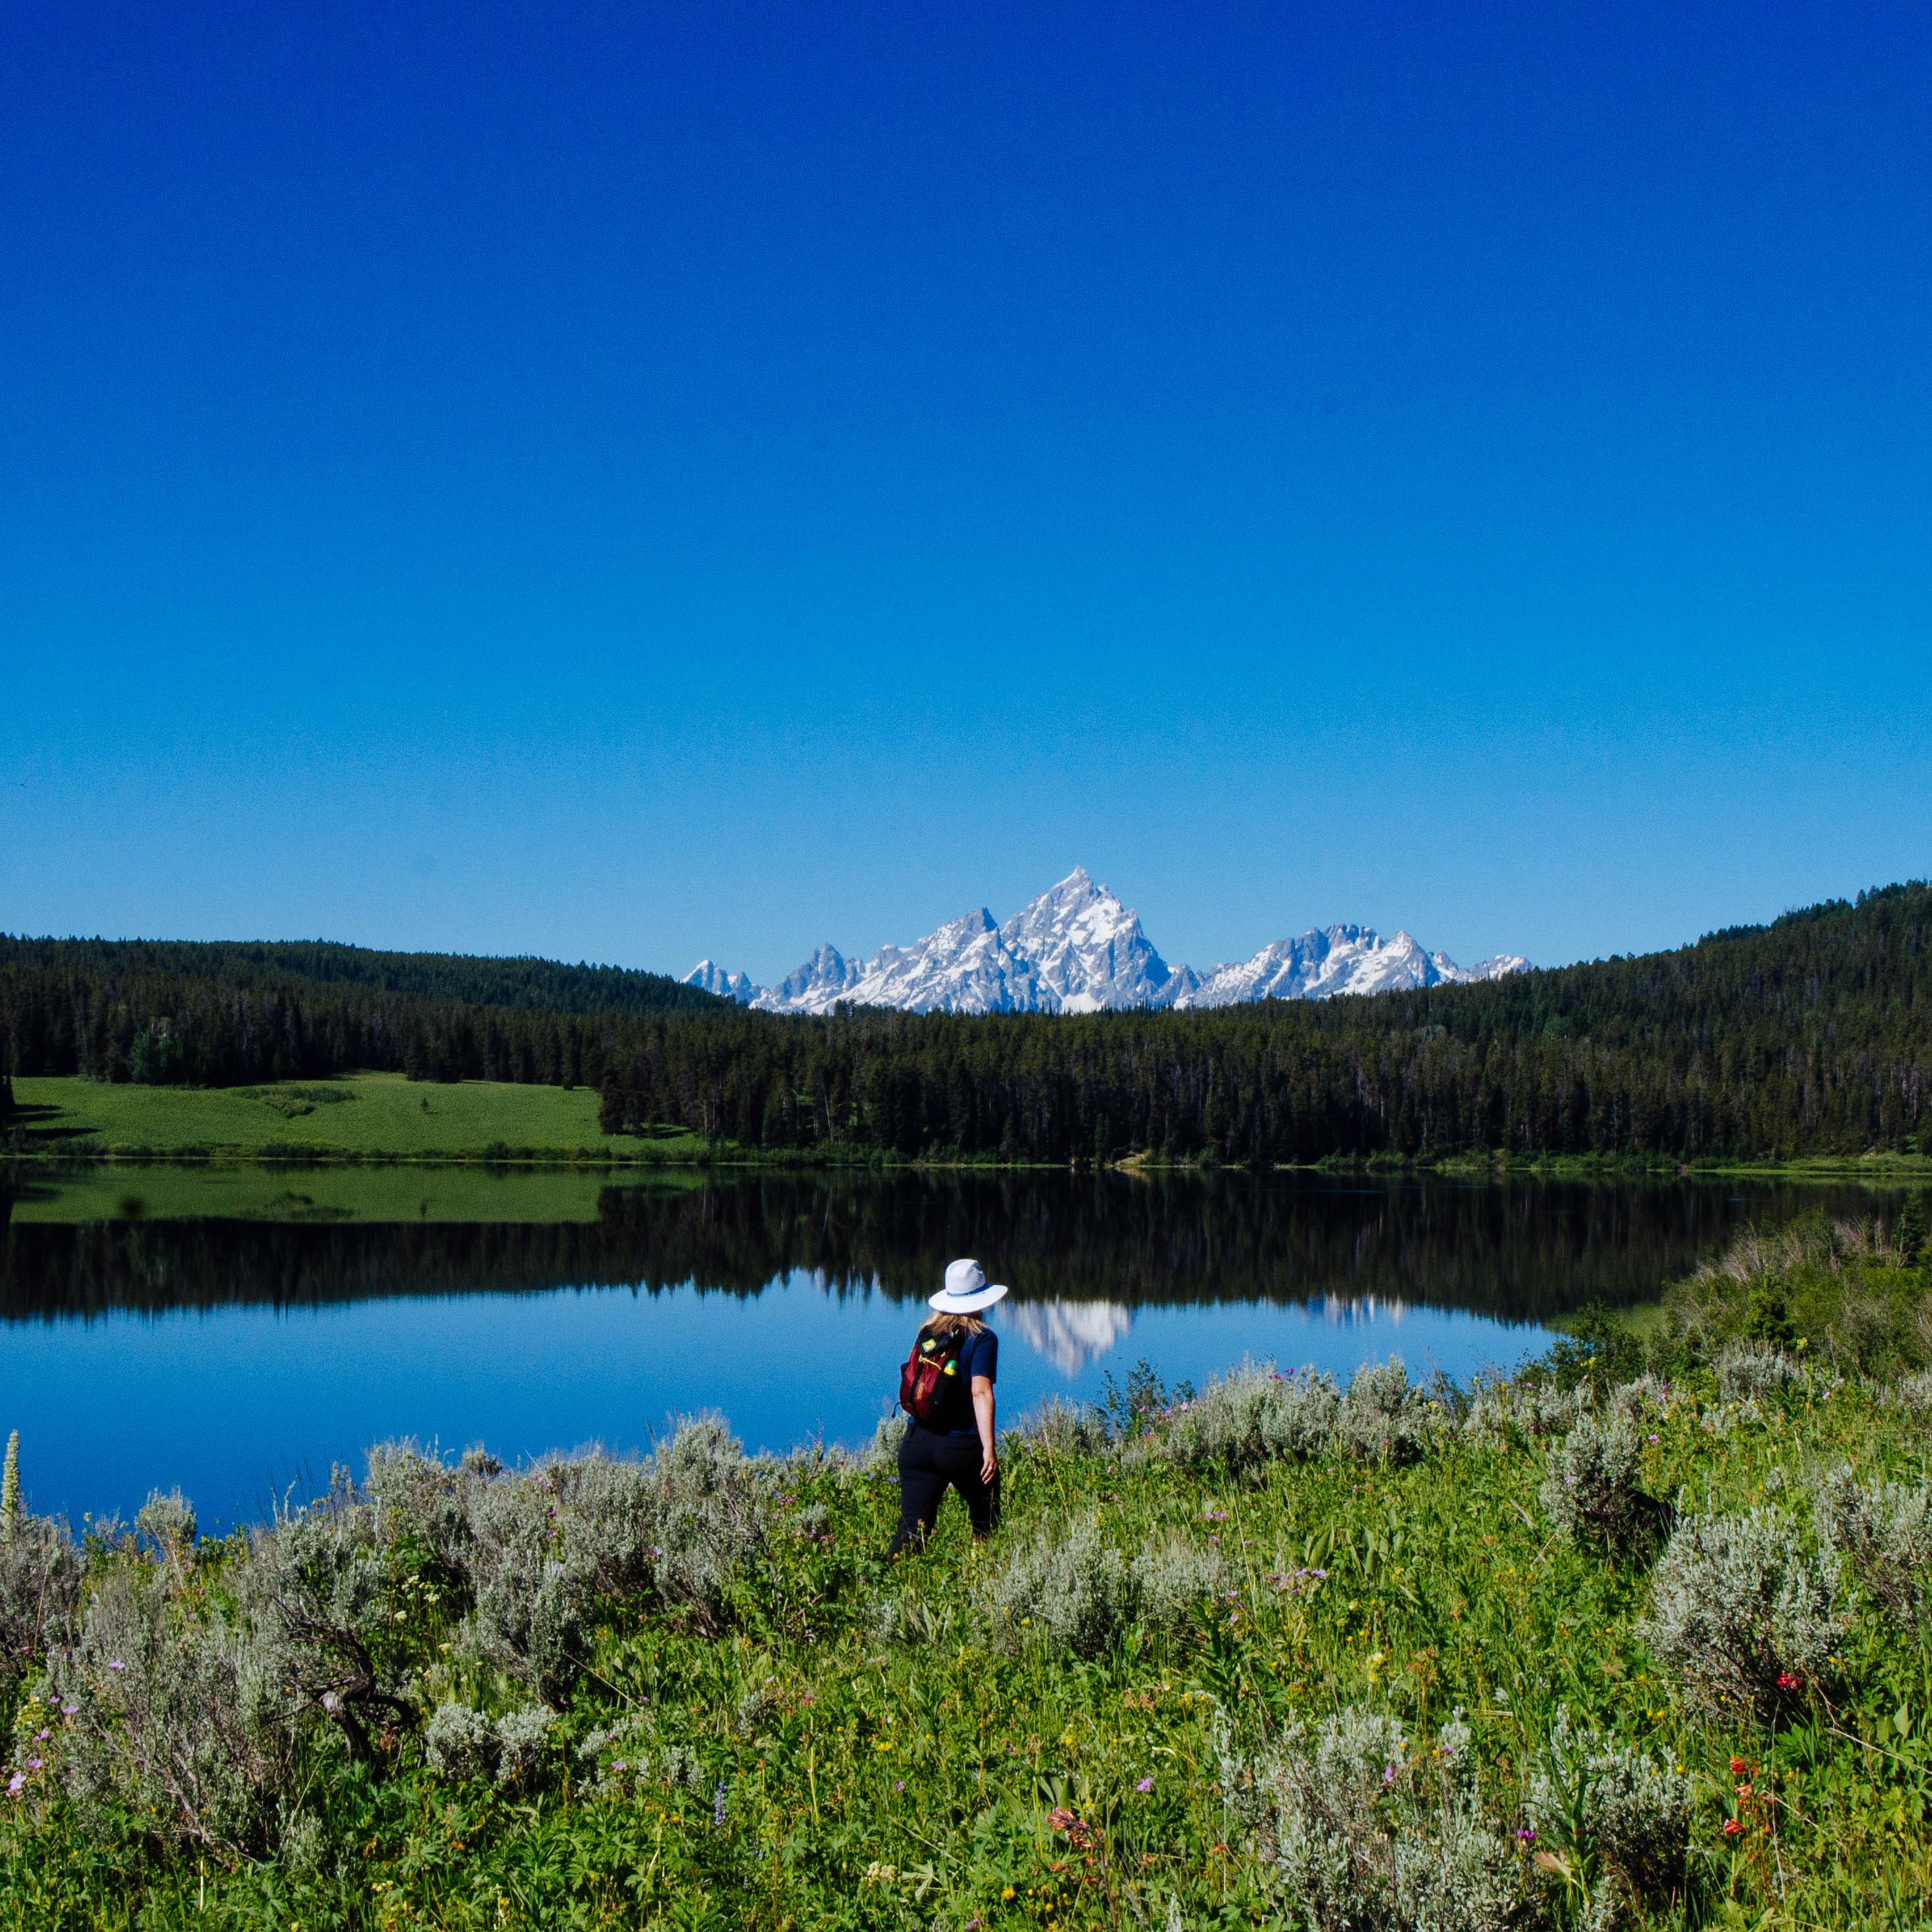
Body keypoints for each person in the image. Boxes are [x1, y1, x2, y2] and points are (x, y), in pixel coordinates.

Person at [886, 1258, 1006, 1556]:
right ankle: (984, 1570)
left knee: (911, 1531)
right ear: (981, 1298)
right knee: (986, 1513)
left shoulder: (928, 1331)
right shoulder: (983, 1338)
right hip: (959, 1447)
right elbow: (981, 1393)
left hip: (917, 1444)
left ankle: (887, 1583)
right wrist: (988, 1449)